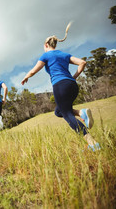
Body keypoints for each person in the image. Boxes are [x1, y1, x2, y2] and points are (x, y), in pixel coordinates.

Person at [21, 22, 100, 151]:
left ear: (46, 45)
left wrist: (26, 77)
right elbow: (82, 62)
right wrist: (74, 77)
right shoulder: (64, 55)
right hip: (72, 85)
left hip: (60, 85)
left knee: (67, 115)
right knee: (59, 112)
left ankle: (92, 143)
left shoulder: (46, 55)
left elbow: (34, 70)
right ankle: (81, 112)